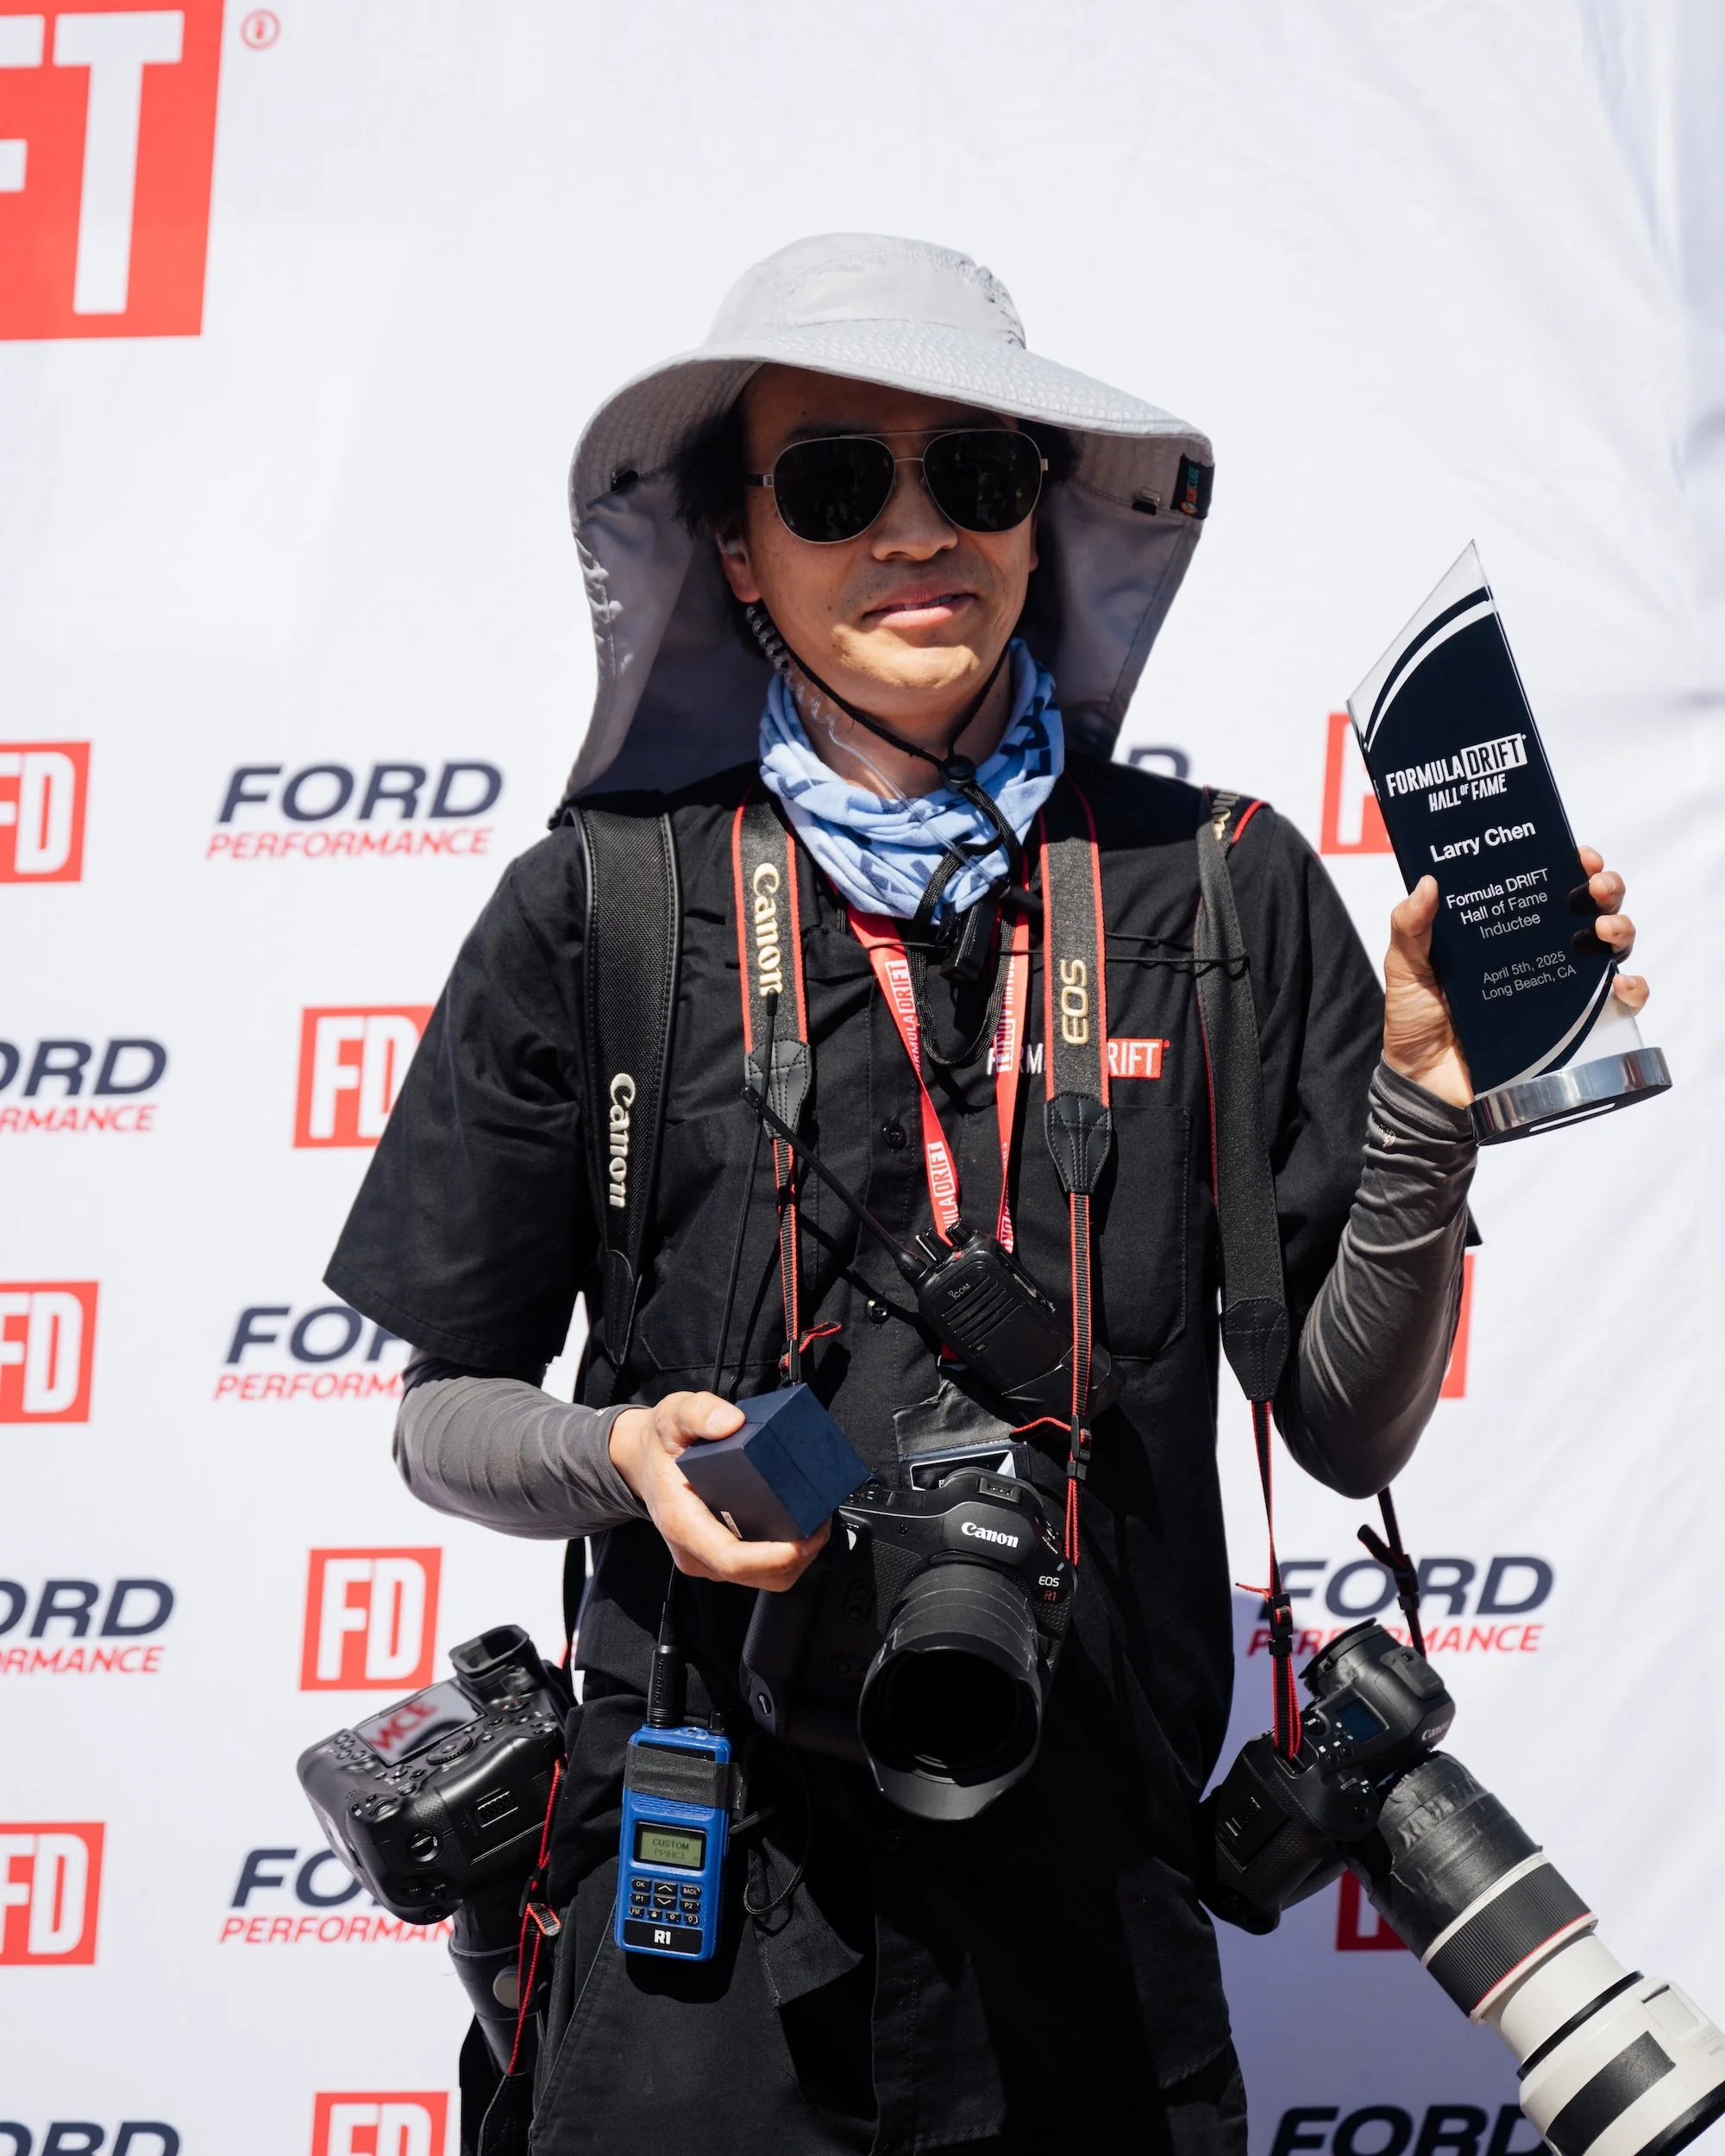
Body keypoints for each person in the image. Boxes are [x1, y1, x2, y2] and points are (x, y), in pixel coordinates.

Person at [326, 234, 1647, 2156]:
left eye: (979, 473)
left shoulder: (1220, 888)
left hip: (1086, 1910)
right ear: (737, 544)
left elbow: (1348, 1428)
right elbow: (443, 1417)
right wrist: (628, 1455)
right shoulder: (601, 906)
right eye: (837, 480)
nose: (916, 529)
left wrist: (1430, 1099)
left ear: (1043, 522)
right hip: (694, 1897)